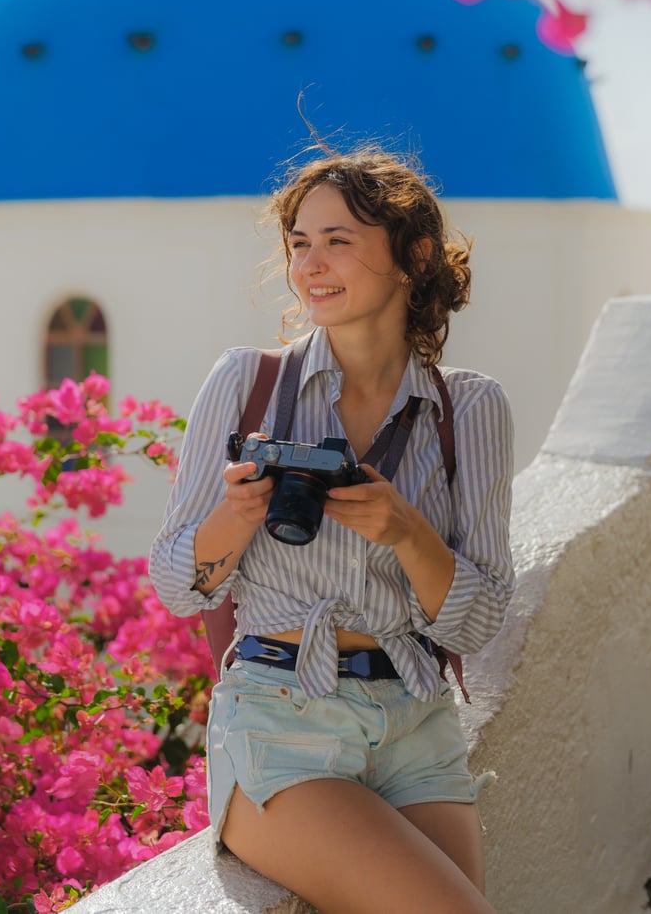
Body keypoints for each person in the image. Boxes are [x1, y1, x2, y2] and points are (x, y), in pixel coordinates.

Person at [149, 149, 514, 914]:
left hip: (415, 723)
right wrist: (236, 514)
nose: (311, 265)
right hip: (280, 717)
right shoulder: (247, 384)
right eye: (299, 243)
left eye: (338, 240)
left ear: (413, 255)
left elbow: (478, 621)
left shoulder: (470, 412)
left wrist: (408, 532)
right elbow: (179, 584)